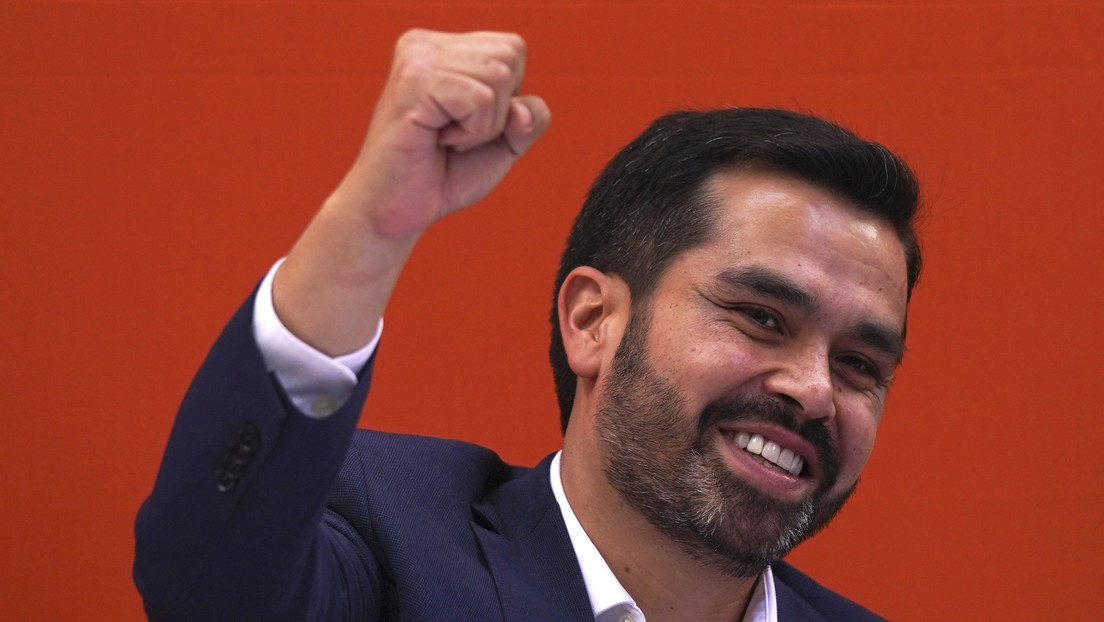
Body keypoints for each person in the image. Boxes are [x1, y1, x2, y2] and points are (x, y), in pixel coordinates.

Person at [134, 29, 920, 622]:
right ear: (593, 321)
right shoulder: (391, 544)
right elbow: (210, 581)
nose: (815, 389)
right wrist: (370, 229)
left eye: (859, 364)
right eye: (761, 318)